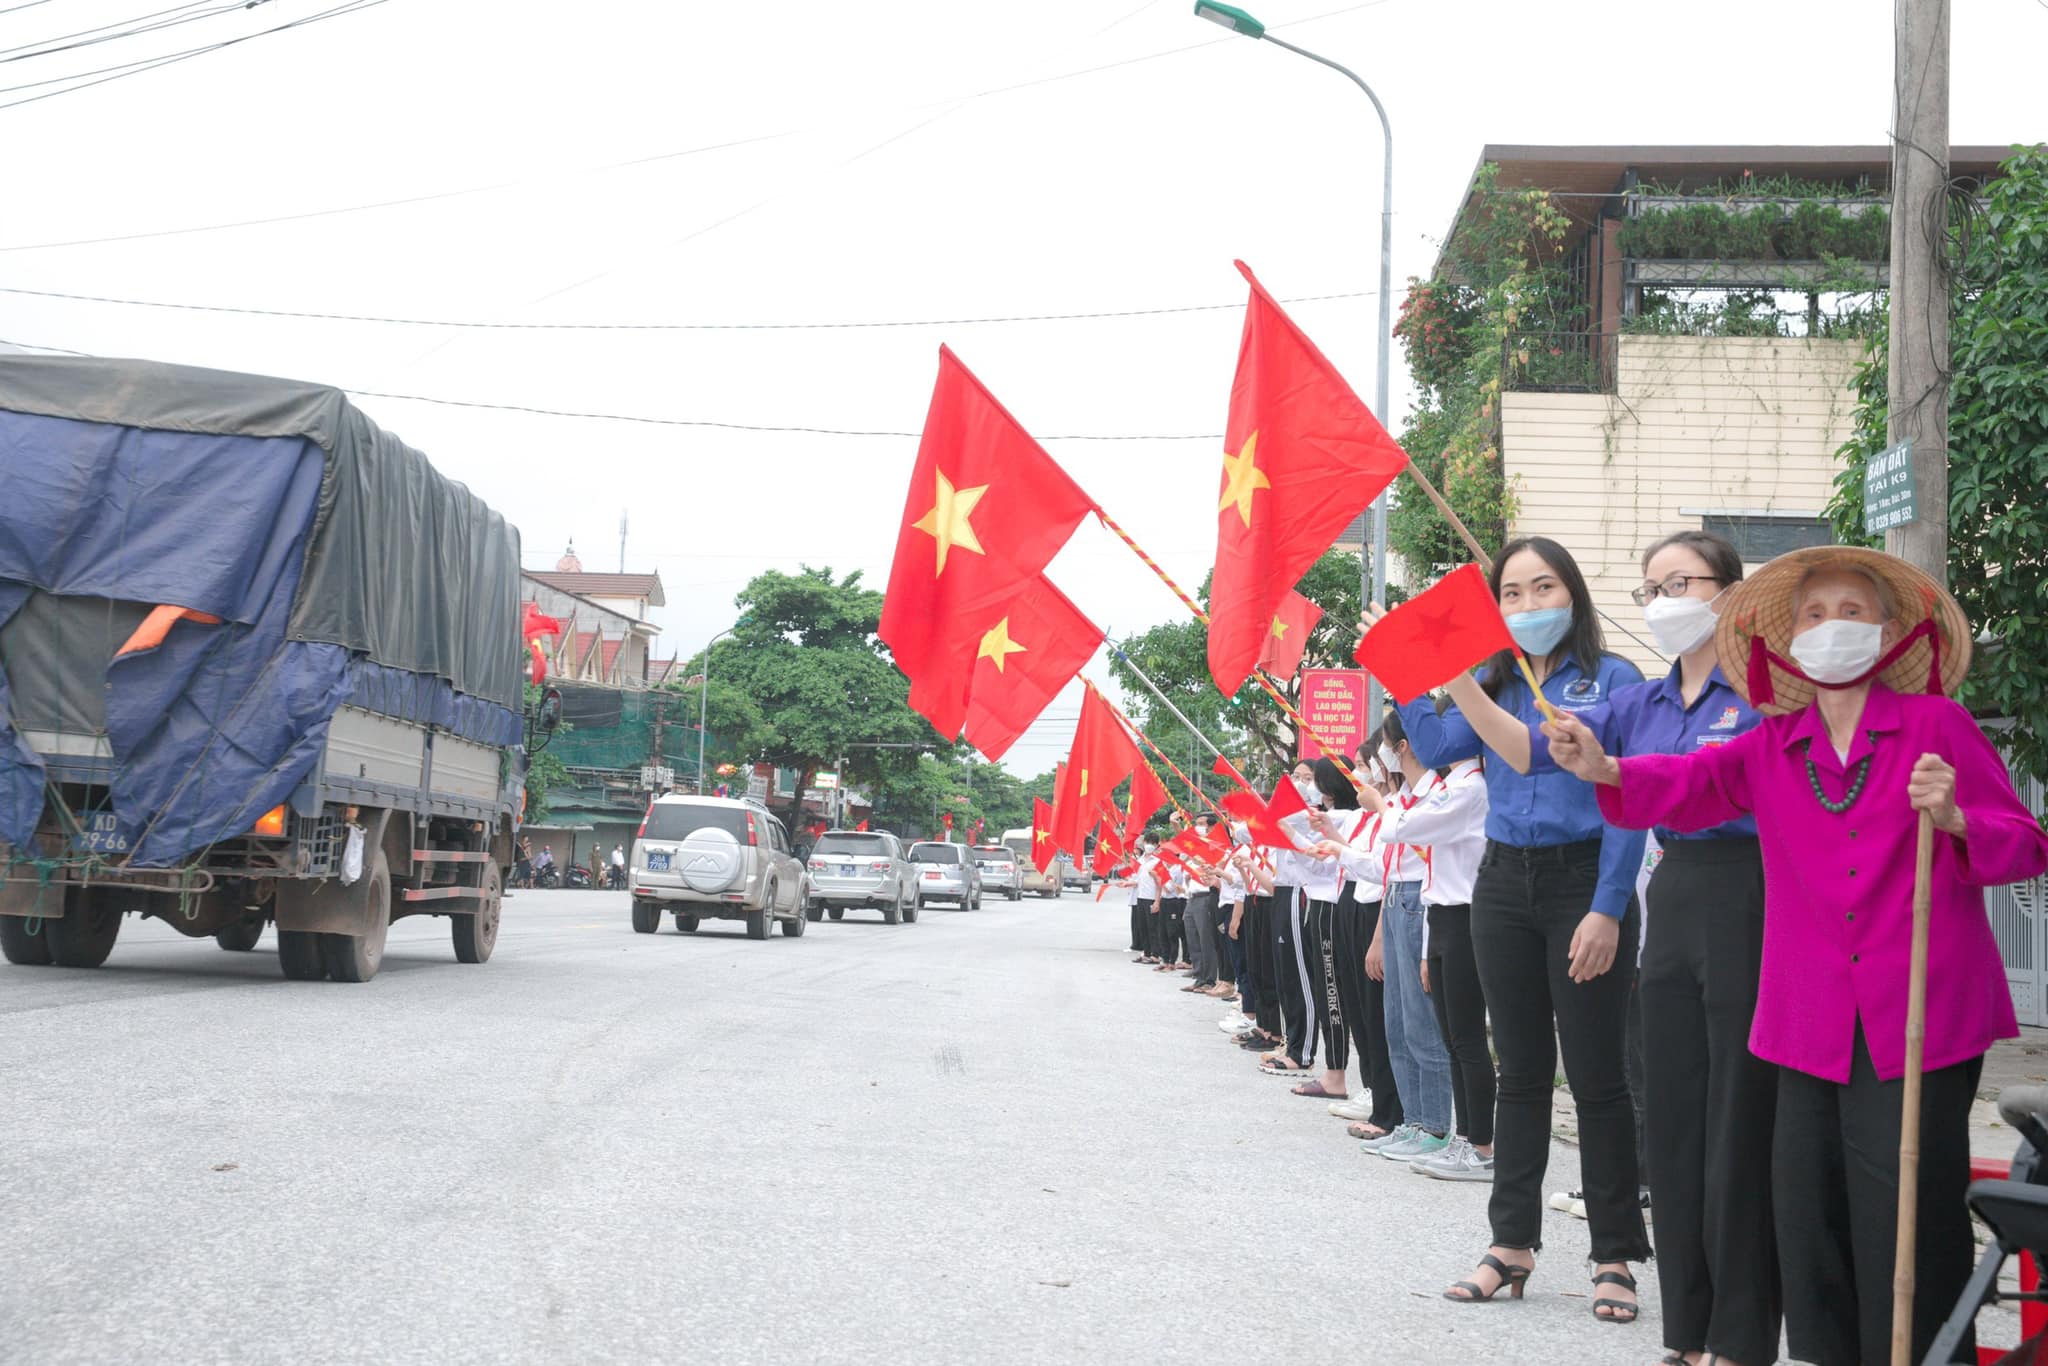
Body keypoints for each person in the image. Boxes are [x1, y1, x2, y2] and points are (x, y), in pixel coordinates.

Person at [1544, 544, 2048, 1365]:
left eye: (1851, 613)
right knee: (1806, 1206)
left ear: (1887, 633)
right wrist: (1604, 767)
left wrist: (1957, 816)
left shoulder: (1934, 727)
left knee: (1906, 1208)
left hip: (1918, 1010)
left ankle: (1923, 1355)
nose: (1831, 628)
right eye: (1814, 615)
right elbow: (1687, 784)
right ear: (1788, 642)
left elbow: (2027, 844)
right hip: (1807, 1014)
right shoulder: (1773, 744)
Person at [1364, 535, 1650, 1318]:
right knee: (1519, 1070)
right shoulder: (1496, 679)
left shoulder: (1612, 683)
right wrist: (1406, 667)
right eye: (1513, 595)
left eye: (1544, 588)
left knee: (1597, 1079)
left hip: (1582, 880)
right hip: (1501, 884)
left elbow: (1552, 766)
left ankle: (1616, 1252)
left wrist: (1609, 906)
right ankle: (1511, 1243)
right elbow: (1437, 743)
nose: (1529, 607)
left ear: (1575, 596)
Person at [1352, 708, 1492, 1184]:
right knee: (1436, 1032)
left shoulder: (1466, 790)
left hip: (1462, 913)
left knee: (1458, 1038)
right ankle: (1447, 1134)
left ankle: (1468, 1139)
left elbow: (1401, 831)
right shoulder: (1452, 787)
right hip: (1439, 913)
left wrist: (1380, 804)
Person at [1352, 710, 1454, 1168]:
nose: (1376, 765)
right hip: (1395, 899)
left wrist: (1381, 805)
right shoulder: (1407, 795)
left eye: (1381, 752)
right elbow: (1386, 865)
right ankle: (1413, 1120)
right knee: (1397, 1021)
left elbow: (1417, 848)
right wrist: (1337, 849)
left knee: (1420, 1021)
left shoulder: (1434, 793)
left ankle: (1433, 1123)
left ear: (1402, 747)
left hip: (1419, 902)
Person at [1326, 741, 1405, 1141]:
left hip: (1383, 910)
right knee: (1363, 1010)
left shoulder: (1393, 809)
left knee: (1383, 1018)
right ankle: (1379, 1097)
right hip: (1361, 905)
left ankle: (1393, 1111)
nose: (1359, 772)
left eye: (1364, 764)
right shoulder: (1372, 813)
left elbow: (1385, 870)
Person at [1286, 756, 1369, 1102]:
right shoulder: (1337, 816)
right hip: (1318, 904)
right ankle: (1333, 1070)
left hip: (1331, 908)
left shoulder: (1346, 817)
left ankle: (1337, 1073)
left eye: (1313, 779)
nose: (1309, 787)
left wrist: (1287, 827)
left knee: (1332, 992)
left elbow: (1305, 837)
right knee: (1326, 991)